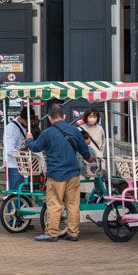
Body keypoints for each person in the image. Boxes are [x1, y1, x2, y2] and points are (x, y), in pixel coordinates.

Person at [26, 103, 93, 242]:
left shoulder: (47, 132)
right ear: (64, 116)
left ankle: (52, 233)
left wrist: (29, 139)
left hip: (56, 174)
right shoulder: (75, 131)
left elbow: (35, 148)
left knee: (54, 204)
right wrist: (91, 158)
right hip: (73, 173)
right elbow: (85, 152)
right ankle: (73, 233)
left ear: (49, 118)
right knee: (73, 204)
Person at [2, 108, 34, 192]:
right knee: (15, 192)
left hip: (24, 164)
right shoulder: (11, 128)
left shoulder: (29, 126)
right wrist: (24, 155)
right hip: (13, 165)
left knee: (25, 192)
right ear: (20, 118)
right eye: (27, 121)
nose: (29, 124)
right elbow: (9, 150)